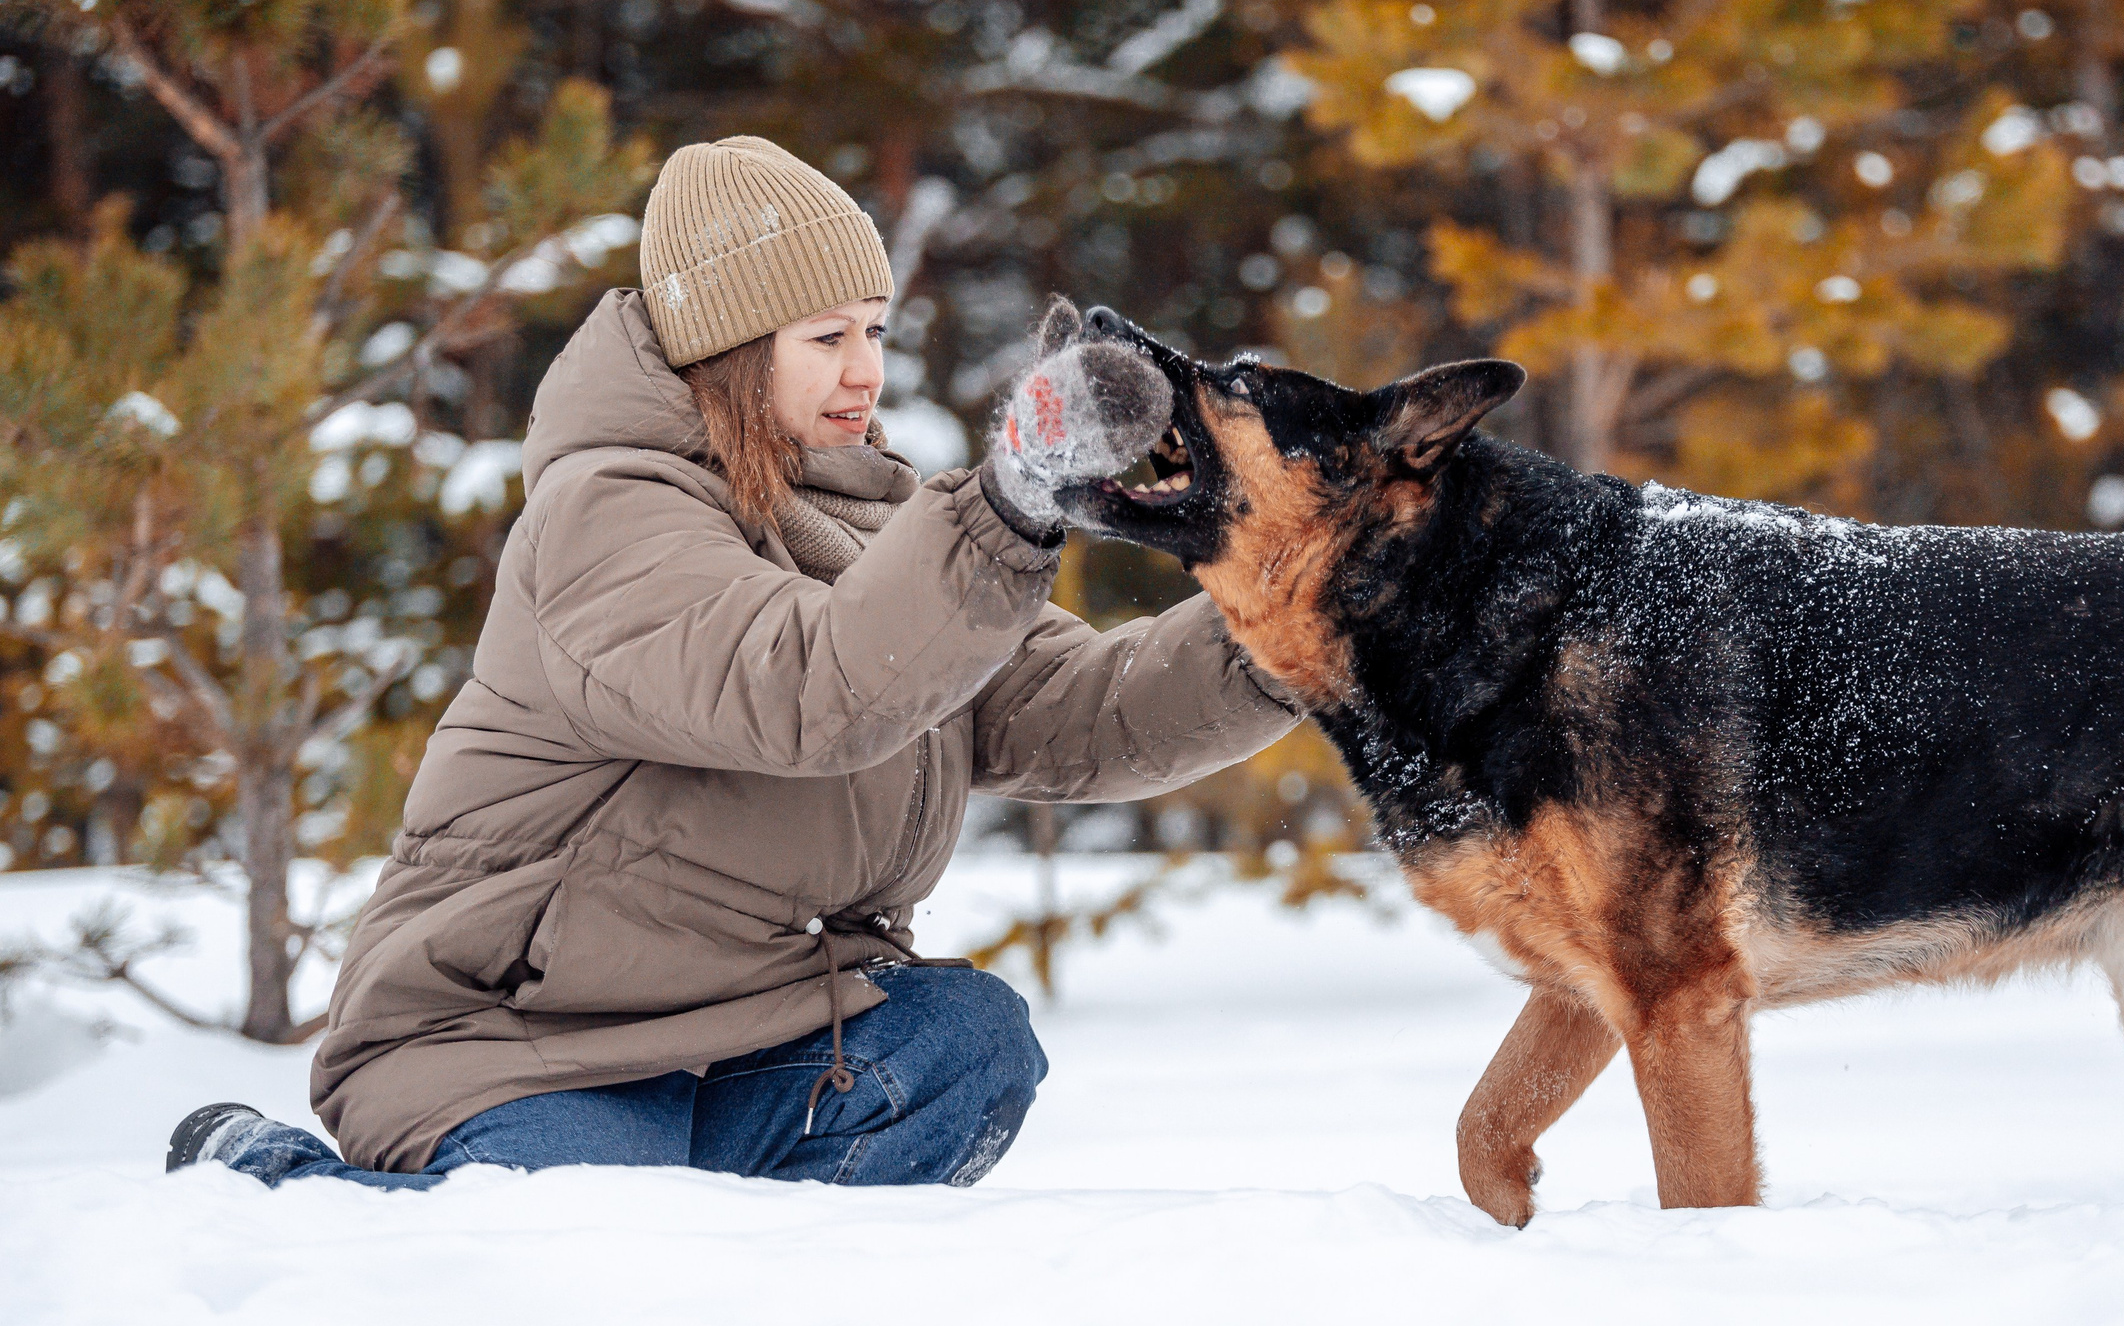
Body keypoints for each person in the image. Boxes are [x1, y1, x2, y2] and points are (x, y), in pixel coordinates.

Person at [166, 135, 1297, 1190]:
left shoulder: (874, 513)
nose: (865, 372)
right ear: (729, 347)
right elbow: (809, 690)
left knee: (961, 1041)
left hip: (749, 1031)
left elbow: (1074, 710)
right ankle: (278, 1180)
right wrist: (1007, 502)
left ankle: (762, 1294)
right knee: (581, 1270)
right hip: (516, 1046)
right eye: (825, 338)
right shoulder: (604, 517)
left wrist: (1296, 606)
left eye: (877, 331)